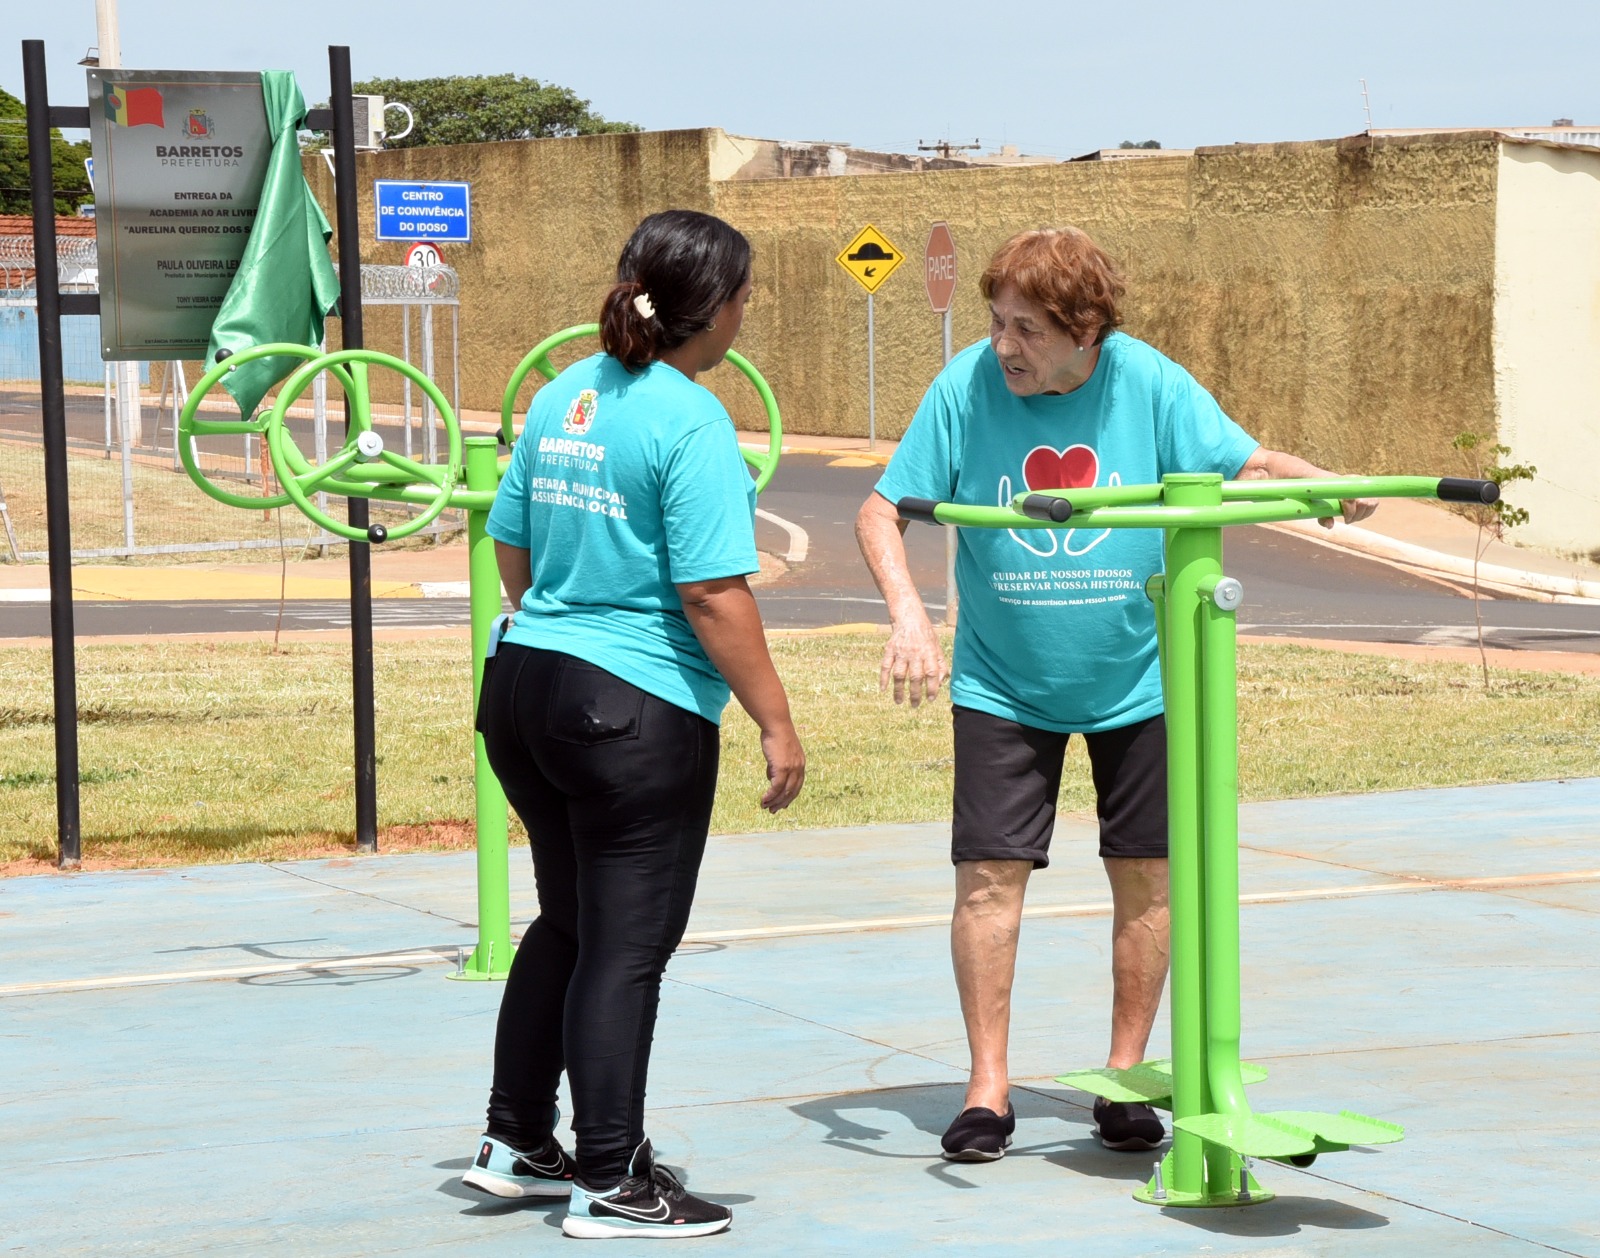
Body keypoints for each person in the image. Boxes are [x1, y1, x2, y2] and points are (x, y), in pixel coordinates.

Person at [855, 226, 1375, 1162]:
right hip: (1003, 682)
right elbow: (881, 504)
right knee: (987, 883)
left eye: (1029, 329)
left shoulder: (1147, 381)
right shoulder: (968, 385)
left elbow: (1248, 465)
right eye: (997, 321)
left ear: (1087, 329)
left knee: (1148, 879)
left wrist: (1323, 486)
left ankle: (1126, 1079)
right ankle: (988, 1091)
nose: (1005, 345)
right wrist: (909, 617)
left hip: (1140, 680)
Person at [463, 209, 805, 1238]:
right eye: (744, 295)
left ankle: (517, 1137)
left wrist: (565, 613)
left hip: (526, 686)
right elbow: (711, 595)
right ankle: (610, 1179)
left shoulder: (565, 390)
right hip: (629, 710)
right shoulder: (690, 419)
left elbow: (509, 545)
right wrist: (775, 720)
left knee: (567, 923)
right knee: (626, 946)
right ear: (718, 309)